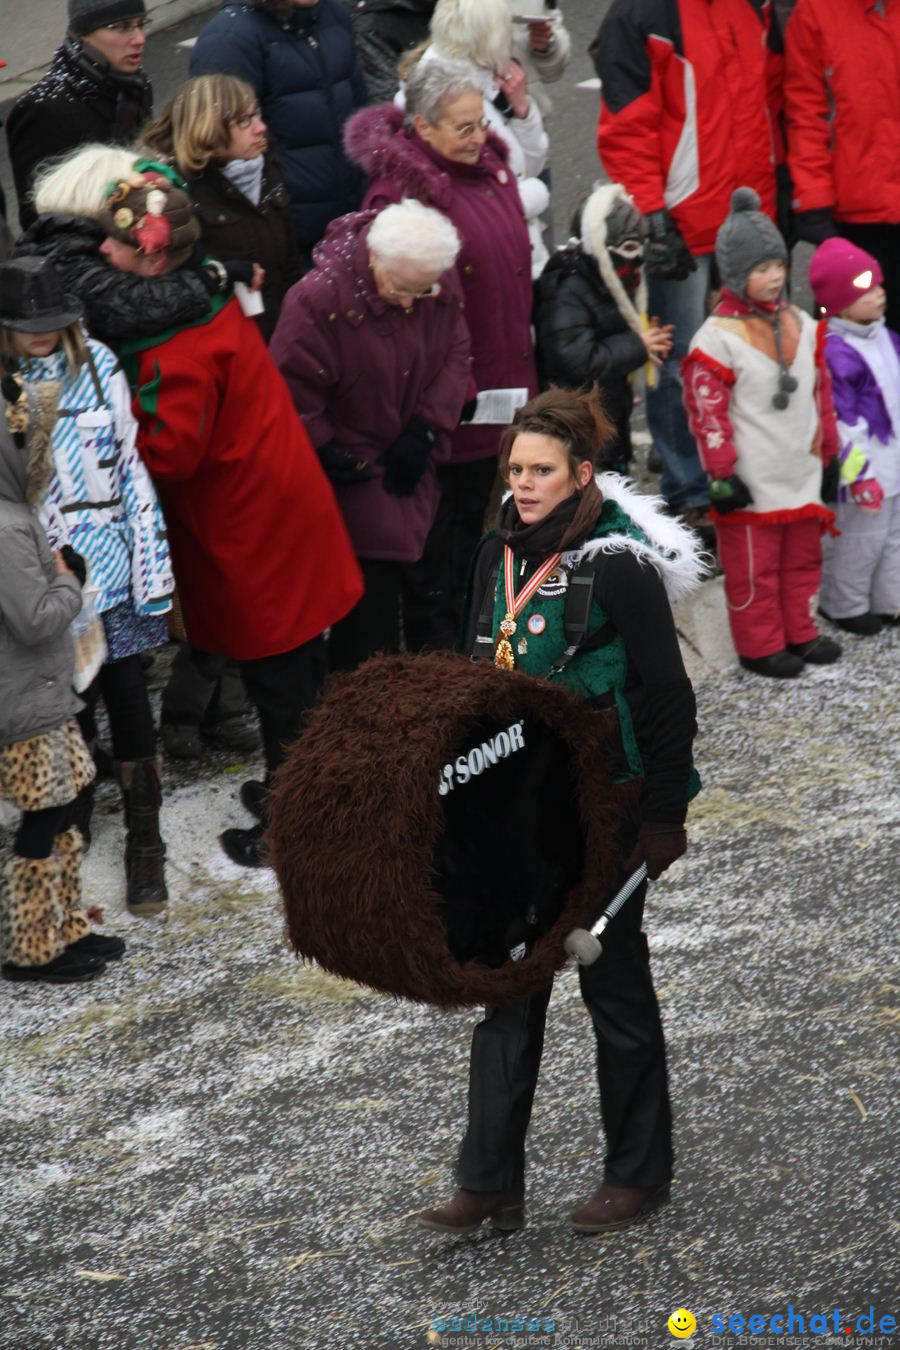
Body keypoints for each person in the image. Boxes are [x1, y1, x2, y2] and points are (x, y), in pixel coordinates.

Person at [417, 385, 703, 1236]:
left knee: (611, 980)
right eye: (515, 469)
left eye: (542, 470)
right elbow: (472, 678)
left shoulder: (618, 563)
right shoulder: (491, 553)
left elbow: (665, 696)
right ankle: (491, 1184)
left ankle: (640, 1171)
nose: (524, 484)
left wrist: (662, 815)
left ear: (585, 474)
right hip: (518, 808)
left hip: (607, 803)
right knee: (509, 980)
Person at [96, 171, 363, 866]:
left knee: (281, 685)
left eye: (118, 244)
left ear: (153, 258)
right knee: (301, 671)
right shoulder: (210, 300)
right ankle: (305, 791)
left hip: (249, 532)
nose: (104, 251)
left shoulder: (175, 344)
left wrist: (111, 432)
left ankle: (296, 822)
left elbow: (173, 453)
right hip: (281, 507)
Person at [0, 256, 174, 915]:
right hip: (41, 567)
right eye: (27, 326)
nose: (42, 335)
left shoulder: (99, 362)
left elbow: (130, 465)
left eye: (52, 323)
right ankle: (68, 817)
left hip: (111, 559)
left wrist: (150, 566)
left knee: (128, 693)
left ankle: (146, 839)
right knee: (65, 698)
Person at [345, 59, 537, 649]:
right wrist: (432, 411)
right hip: (446, 408)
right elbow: (400, 321)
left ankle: (471, 650)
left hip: (501, 391)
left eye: (482, 122)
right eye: (463, 128)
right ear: (421, 129)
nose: (481, 137)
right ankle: (440, 670)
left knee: (478, 543)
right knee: (437, 557)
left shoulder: (490, 171)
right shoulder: (402, 199)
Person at [591, 0, 784, 528]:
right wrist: (651, 210)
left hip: (748, 210)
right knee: (678, 361)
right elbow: (628, 121)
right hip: (681, 216)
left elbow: (767, 98)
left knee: (753, 351)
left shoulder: (752, 6)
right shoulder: (643, 14)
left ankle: (735, 471)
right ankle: (689, 493)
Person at [271, 199, 471, 668]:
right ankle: (361, 709)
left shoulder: (430, 278)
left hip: (415, 454)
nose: (408, 303)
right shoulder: (316, 299)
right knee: (368, 605)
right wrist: (321, 446)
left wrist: (426, 426)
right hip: (354, 463)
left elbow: (456, 350)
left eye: (420, 293)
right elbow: (290, 384)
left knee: (429, 585)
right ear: (375, 260)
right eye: (400, 289)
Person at [682, 188, 842, 678]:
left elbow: (822, 394)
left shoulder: (802, 323)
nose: (773, 277)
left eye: (777, 265)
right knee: (756, 568)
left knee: (802, 559)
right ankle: (760, 643)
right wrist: (721, 474)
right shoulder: (715, 339)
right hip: (750, 478)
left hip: (799, 466)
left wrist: (830, 453)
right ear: (734, 274)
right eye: (760, 269)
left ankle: (801, 629)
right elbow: (707, 412)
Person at [0, 366, 126, 983]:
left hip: (42, 694)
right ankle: (29, 947)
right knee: (45, 819)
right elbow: (34, 620)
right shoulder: (5, 526)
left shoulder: (15, 515)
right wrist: (69, 579)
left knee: (69, 803)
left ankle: (65, 926)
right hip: (24, 702)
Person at [189, 0, 367, 264]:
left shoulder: (333, 14)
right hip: (288, 241)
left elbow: (359, 110)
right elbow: (217, 154)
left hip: (353, 220)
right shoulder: (229, 39)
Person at [142, 74, 302, 343]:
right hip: (230, 345)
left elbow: (291, 264)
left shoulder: (267, 169)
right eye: (244, 121)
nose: (261, 127)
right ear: (208, 129)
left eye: (256, 115)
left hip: (282, 335)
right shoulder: (174, 196)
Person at [533, 182, 672, 475]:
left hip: (603, 420)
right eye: (630, 248)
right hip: (577, 431)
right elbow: (576, 362)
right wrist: (637, 345)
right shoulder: (567, 290)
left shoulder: (602, 281)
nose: (637, 260)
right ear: (601, 246)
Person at [784, 0, 900, 330]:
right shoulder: (815, 13)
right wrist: (813, 200)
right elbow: (805, 113)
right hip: (853, 214)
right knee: (848, 347)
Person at [417, 0, 554, 277]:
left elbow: (532, 164)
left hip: (518, 258)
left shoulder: (488, 79)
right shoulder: (445, 100)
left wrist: (522, 110)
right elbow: (472, 201)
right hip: (491, 267)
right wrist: (531, 195)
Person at [809, 239, 900, 634]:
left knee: (894, 538)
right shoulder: (836, 353)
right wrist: (858, 474)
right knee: (859, 541)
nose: (880, 294)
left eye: (879, 286)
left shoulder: (886, 337)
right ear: (841, 302)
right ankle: (843, 603)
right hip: (865, 470)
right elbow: (842, 424)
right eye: (868, 290)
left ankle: (889, 600)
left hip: (893, 459)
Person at [6, 0, 152, 231]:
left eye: (141, 24)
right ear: (84, 34)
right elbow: (37, 217)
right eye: (122, 27)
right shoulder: (43, 109)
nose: (139, 39)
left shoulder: (134, 86)